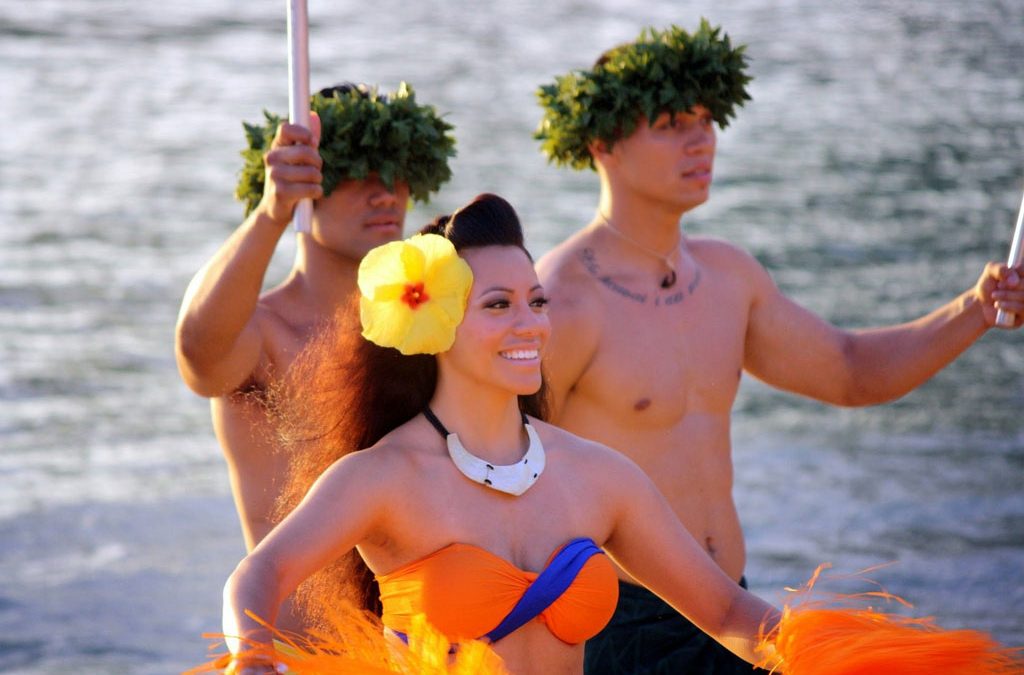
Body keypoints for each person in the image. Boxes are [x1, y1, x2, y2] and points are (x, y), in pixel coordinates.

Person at [532, 21, 1024, 674]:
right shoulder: (560, 298)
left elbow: (850, 371)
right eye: (674, 122)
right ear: (603, 144)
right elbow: (506, 475)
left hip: (737, 607)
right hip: (618, 621)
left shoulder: (728, 275)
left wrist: (976, 309)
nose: (700, 139)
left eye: (706, 120)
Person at [218, 194, 784, 675]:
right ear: (437, 326)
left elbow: (730, 614)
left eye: (536, 301)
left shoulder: (598, 476)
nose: (531, 324)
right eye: (499, 305)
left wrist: (835, 651)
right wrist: (251, 660)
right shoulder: (384, 477)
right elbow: (258, 575)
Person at [174, 83, 455, 630]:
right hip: (300, 655)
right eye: (354, 172)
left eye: (397, 171)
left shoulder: (428, 329)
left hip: (426, 651)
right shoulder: (262, 334)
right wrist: (271, 212)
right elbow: (198, 356)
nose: (385, 193)